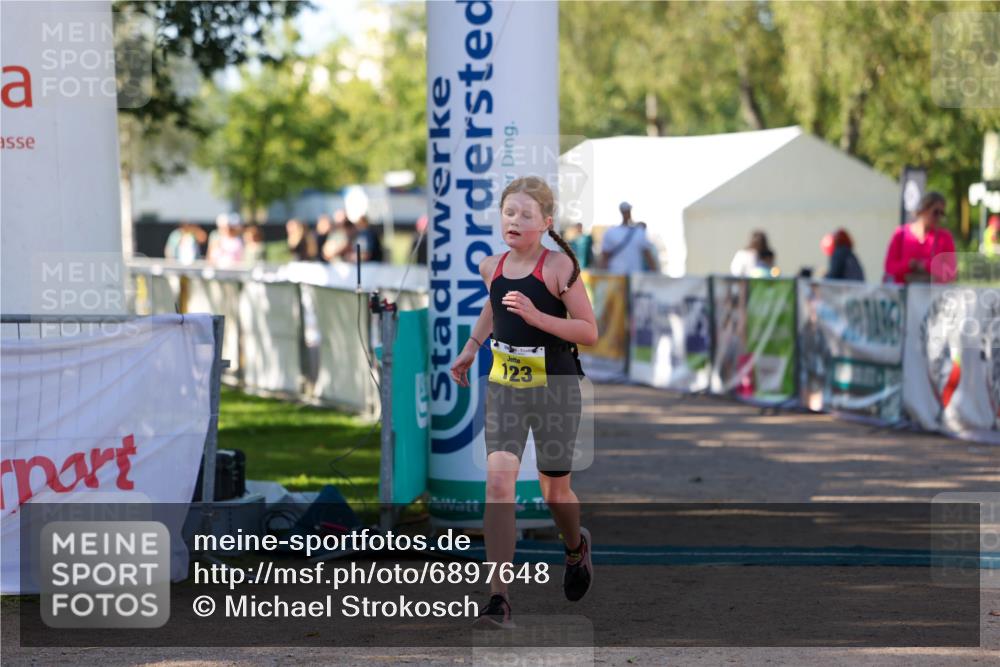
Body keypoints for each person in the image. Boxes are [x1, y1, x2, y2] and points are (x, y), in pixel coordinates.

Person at [449, 176, 598, 628]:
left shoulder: (558, 269)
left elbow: (589, 331)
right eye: (508, 212)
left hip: (556, 385)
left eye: (525, 215)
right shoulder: (491, 266)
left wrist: (538, 317)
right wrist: (472, 346)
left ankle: (576, 546)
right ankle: (499, 599)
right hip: (506, 387)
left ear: (546, 223)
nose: (514, 220)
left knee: (554, 491)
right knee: (498, 487)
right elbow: (494, 308)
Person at [883, 191, 957, 284]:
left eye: (942, 213)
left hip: (932, 295)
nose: (938, 217)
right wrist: (908, 265)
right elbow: (889, 267)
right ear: (924, 209)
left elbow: (951, 273)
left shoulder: (945, 237)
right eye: (936, 212)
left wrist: (925, 265)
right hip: (904, 294)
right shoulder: (901, 234)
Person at [598, 202, 657, 274]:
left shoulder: (639, 232)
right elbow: (605, 256)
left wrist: (655, 273)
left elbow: (647, 255)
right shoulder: (610, 232)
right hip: (617, 275)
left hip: (633, 275)